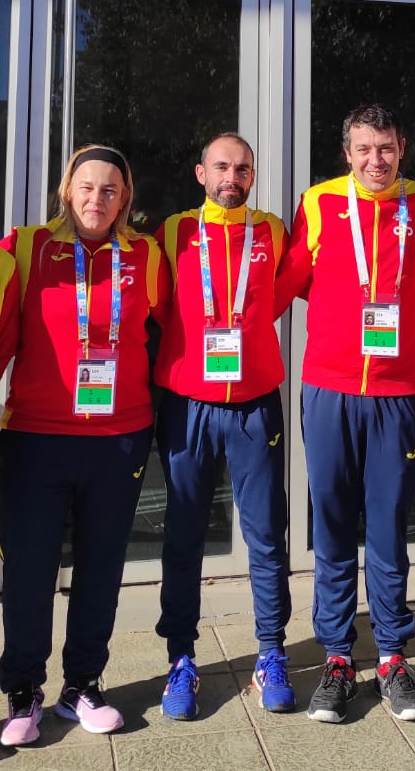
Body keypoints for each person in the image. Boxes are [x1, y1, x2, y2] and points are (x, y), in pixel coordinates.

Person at [274, 103, 415, 723]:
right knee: (335, 525)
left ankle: (395, 656)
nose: (376, 160)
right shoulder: (318, 203)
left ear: (403, 148)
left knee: (390, 525)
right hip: (329, 390)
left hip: (398, 397)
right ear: (347, 153)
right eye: (364, 149)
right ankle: (339, 658)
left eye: (387, 148)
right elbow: (283, 282)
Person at [0, 144, 171, 746]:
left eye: (111, 190)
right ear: (66, 190)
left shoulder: (146, 255)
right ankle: (23, 692)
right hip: (35, 439)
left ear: (125, 199)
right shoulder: (25, 247)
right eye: (87, 187)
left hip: (118, 441)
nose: (97, 199)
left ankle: (84, 685)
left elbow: (176, 334)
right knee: (28, 570)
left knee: (101, 567)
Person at [153, 132, 294, 719]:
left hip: (255, 402)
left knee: (265, 533)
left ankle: (271, 652)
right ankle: (181, 658)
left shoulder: (275, 232)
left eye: (242, 168)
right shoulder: (172, 231)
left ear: (253, 177)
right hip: (187, 403)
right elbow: (155, 306)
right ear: (200, 172)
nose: (231, 176)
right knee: (184, 535)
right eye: (221, 167)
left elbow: (285, 294)